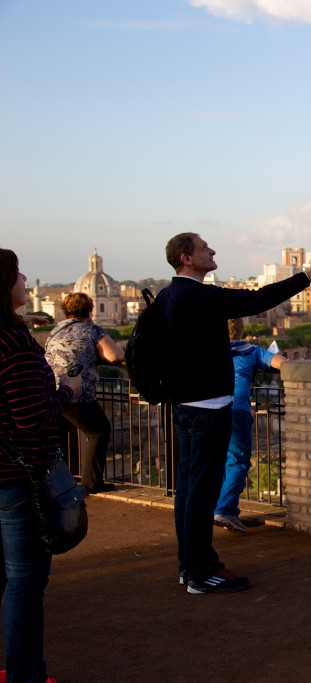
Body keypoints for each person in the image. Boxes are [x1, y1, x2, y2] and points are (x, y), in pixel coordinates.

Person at [160, 233, 311, 594]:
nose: (213, 250)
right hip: (209, 408)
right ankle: (201, 572)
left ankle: (187, 564)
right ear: (186, 258)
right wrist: (308, 276)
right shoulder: (200, 295)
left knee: (189, 491)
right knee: (203, 493)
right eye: (205, 248)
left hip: (184, 405)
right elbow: (257, 300)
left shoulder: (167, 296)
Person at [0, 247, 81, 683]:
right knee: (26, 581)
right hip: (16, 481)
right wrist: (66, 389)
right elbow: (33, 419)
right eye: (18, 274)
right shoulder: (12, 345)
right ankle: (25, 675)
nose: (26, 280)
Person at [44, 292, 125, 494]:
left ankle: (61, 483)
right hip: (77, 392)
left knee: (60, 437)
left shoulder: (55, 330)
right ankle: (92, 482)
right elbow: (116, 356)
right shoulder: (91, 330)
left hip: (52, 392)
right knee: (98, 430)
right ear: (90, 309)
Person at [213, 317, 285, 534]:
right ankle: (224, 510)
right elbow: (280, 362)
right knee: (238, 459)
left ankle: (222, 508)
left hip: (209, 410)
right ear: (241, 328)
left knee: (218, 459)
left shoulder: (208, 350)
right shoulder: (251, 350)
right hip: (236, 409)